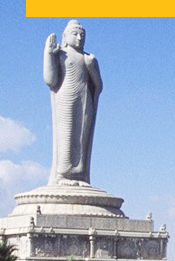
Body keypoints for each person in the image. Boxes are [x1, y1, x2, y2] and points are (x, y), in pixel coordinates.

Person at [44, 20, 102, 185]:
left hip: (85, 100)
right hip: (66, 97)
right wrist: (48, 54)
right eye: (75, 34)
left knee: (81, 137)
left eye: (82, 36)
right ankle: (63, 174)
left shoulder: (87, 58)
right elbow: (50, 80)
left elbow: (98, 86)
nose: (79, 39)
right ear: (65, 36)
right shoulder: (61, 54)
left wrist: (92, 66)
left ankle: (79, 175)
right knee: (66, 134)